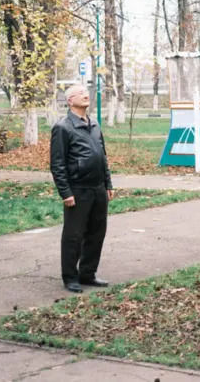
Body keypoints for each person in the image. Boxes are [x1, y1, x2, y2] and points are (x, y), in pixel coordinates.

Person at [50, 83, 114, 293]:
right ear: (70, 101)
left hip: (98, 189)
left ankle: (88, 273)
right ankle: (70, 277)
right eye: (80, 94)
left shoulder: (94, 124)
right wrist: (65, 192)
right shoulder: (63, 127)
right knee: (74, 235)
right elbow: (57, 164)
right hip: (78, 190)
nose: (86, 95)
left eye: (86, 92)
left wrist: (108, 183)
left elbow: (102, 156)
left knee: (97, 233)